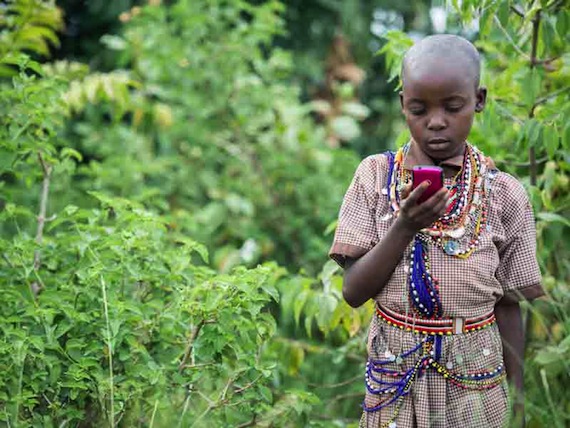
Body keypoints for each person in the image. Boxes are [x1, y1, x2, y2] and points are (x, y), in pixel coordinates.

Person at [329, 34, 544, 428]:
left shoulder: (504, 194)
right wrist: (405, 226)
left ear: (478, 100)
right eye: (419, 109)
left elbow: (509, 304)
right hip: (395, 382)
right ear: (402, 107)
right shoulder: (375, 178)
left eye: (453, 106)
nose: (436, 122)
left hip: (476, 384)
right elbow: (354, 292)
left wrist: (518, 400)